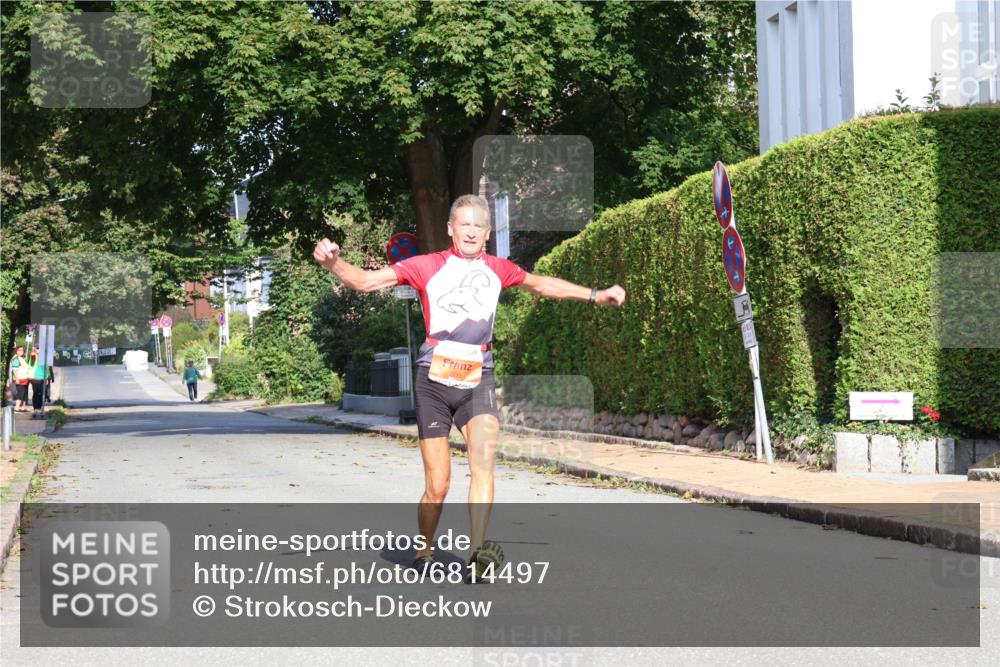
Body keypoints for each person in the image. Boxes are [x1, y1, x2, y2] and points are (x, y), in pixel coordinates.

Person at [313, 194, 626, 582]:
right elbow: (364, 281)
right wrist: (333, 264)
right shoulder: (425, 266)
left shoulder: (498, 269)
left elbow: (543, 285)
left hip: (479, 377)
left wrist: (596, 295)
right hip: (433, 382)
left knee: (483, 462)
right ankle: (425, 547)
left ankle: (477, 555)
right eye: (464, 224)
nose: (471, 232)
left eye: (478, 226)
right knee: (438, 484)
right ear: (450, 229)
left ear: (488, 233)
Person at [10, 346, 31, 412]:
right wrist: (17, 378)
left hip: (25, 379)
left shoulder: (21, 358)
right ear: (16, 350)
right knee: (20, 393)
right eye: (19, 350)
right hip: (20, 379)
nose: (21, 351)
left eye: (22, 350)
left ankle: (22, 407)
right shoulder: (16, 358)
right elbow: (15, 370)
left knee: (24, 394)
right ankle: (17, 407)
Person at [28, 346, 46, 419]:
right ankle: (36, 409)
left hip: (43, 378)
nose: (39, 351)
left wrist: (47, 377)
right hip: (35, 378)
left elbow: (46, 368)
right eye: (37, 349)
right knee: (36, 393)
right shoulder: (34, 356)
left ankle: (40, 407)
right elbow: (32, 358)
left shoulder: (44, 358)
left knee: (41, 394)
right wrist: (33, 352)